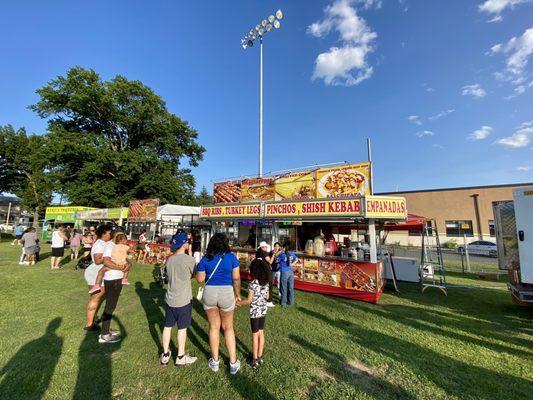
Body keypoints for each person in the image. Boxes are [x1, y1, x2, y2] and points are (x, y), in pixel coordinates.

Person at [196, 233, 242, 375]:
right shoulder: (232, 258)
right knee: (228, 328)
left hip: (210, 293)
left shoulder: (205, 259)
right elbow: (236, 278)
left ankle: (215, 362)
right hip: (226, 293)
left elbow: (200, 279)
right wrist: (238, 295)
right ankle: (233, 363)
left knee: (213, 327)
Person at [159, 232, 198, 367]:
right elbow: (195, 275)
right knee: (182, 328)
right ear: (184, 244)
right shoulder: (189, 260)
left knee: (167, 326)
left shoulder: (169, 260)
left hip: (170, 298)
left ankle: (165, 354)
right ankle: (180, 356)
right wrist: (191, 255)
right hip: (183, 299)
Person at [99, 229, 130, 343]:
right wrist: (120, 268)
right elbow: (106, 261)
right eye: (119, 236)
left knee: (111, 305)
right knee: (110, 306)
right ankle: (104, 335)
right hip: (112, 278)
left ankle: (106, 329)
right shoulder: (109, 246)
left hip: (116, 278)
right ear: (114, 236)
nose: (121, 237)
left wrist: (128, 264)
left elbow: (124, 259)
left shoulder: (117, 246)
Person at [239, 256, 270, 370]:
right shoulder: (265, 283)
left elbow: (248, 300)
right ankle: (260, 356)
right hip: (263, 310)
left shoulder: (252, 284)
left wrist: (238, 303)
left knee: (254, 335)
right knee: (261, 333)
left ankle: (254, 359)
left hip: (254, 312)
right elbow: (267, 297)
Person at [83, 225, 113, 332]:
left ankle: (94, 318)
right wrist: (111, 258)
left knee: (101, 296)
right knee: (95, 297)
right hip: (95, 273)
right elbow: (97, 260)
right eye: (109, 233)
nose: (111, 234)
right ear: (103, 233)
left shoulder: (107, 243)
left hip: (102, 273)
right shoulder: (99, 244)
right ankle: (89, 324)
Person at [258, 241, 276, 308]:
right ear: (263, 247)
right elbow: (270, 262)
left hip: (263, 271)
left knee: (265, 285)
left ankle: (264, 300)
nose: (266, 247)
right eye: (265, 246)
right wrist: (274, 254)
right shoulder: (264, 253)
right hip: (267, 271)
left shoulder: (260, 253)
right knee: (269, 286)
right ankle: (269, 301)